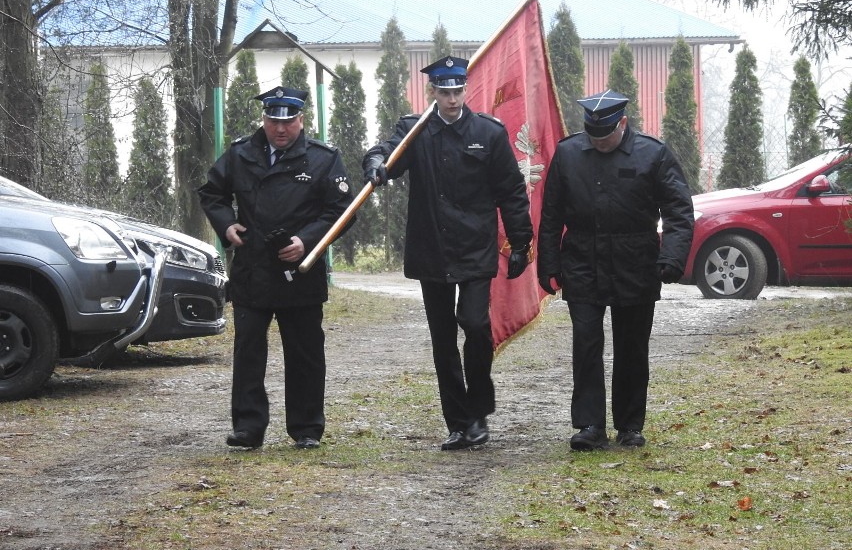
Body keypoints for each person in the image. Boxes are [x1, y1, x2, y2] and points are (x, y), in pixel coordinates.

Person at [362, 56, 533, 451]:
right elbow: (386, 153)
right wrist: (375, 163)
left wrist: (521, 243)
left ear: (465, 90)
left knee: (474, 324)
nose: (453, 98)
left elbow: (510, 190)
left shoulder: (488, 133)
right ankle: (457, 422)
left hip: (475, 246)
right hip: (431, 249)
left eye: (458, 90)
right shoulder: (415, 131)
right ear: (433, 92)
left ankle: (478, 412)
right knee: (442, 338)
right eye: (445, 91)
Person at [198, 86, 354, 450]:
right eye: (273, 121)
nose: (280, 129)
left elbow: (342, 211)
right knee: (249, 351)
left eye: (288, 121)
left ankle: (306, 428)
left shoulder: (323, 159)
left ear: (301, 120)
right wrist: (226, 224)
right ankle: (248, 428)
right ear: (264, 119)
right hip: (253, 266)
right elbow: (212, 193)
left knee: (304, 352)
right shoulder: (241, 153)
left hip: (299, 269)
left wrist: (308, 241)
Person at [537, 89, 694, 451]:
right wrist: (548, 263)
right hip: (581, 259)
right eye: (594, 136)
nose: (600, 143)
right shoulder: (568, 153)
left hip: (635, 260)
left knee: (632, 347)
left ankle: (629, 425)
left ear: (622, 123)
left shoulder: (653, 154)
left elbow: (679, 210)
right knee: (587, 343)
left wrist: (672, 257)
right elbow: (551, 215)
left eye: (606, 136)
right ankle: (590, 424)